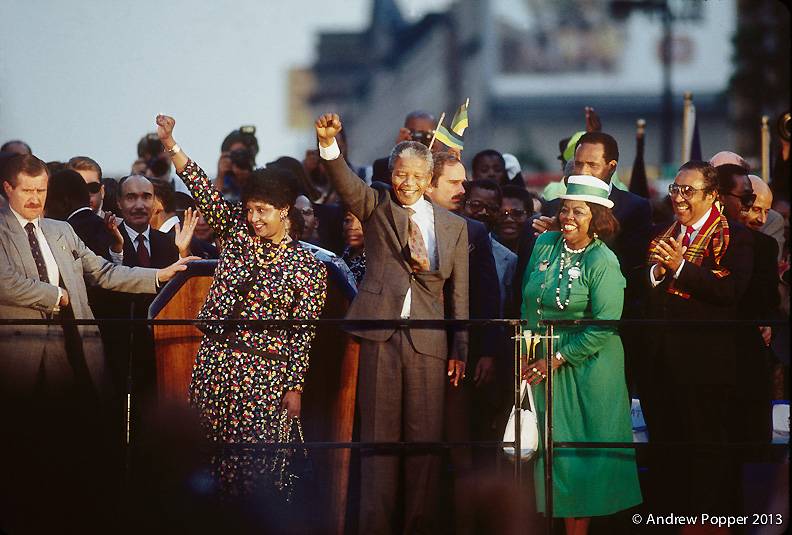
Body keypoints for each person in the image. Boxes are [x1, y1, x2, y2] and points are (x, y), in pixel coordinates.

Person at [0, 154, 194, 533]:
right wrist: (54, 296)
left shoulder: (61, 231)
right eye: (27, 190)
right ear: (8, 188)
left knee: (75, 454)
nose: (35, 198)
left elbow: (104, 272)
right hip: (19, 364)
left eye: (41, 190)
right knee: (24, 459)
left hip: (76, 356)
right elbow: (4, 281)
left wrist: (159, 276)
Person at [156, 114, 327, 497]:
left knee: (253, 468)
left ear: (284, 210)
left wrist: (294, 388)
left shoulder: (307, 267)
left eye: (262, 211)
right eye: (249, 210)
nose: (253, 219)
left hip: (264, 372)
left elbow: (303, 334)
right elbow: (200, 186)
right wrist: (171, 143)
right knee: (204, 461)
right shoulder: (236, 231)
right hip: (215, 360)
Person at [316, 112, 468, 534]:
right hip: (379, 338)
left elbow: (460, 296)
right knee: (378, 444)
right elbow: (346, 183)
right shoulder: (377, 207)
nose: (406, 182)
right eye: (399, 173)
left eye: (416, 176)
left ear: (429, 178)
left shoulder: (454, 227)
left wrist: (460, 349)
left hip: (429, 343)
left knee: (424, 448)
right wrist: (329, 145)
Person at [522, 175, 641, 534]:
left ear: (598, 219)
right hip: (540, 361)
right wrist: (529, 348)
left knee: (579, 458)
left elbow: (605, 325)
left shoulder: (603, 260)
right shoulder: (544, 244)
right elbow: (528, 301)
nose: (568, 217)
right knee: (548, 454)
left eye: (579, 211)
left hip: (586, 367)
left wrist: (557, 358)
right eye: (564, 210)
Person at [642, 161, 753, 522]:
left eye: (688, 190)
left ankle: (706, 524)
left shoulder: (735, 236)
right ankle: (665, 523)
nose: (679, 197)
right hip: (660, 363)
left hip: (705, 364)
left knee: (706, 449)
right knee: (665, 448)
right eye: (675, 189)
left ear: (712, 196)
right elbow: (648, 288)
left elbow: (730, 291)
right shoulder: (662, 232)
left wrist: (680, 269)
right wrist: (659, 273)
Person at [341, 210, 366, 286]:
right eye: (347, 220)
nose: (352, 227)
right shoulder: (347, 251)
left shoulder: (374, 261)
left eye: (360, 222)